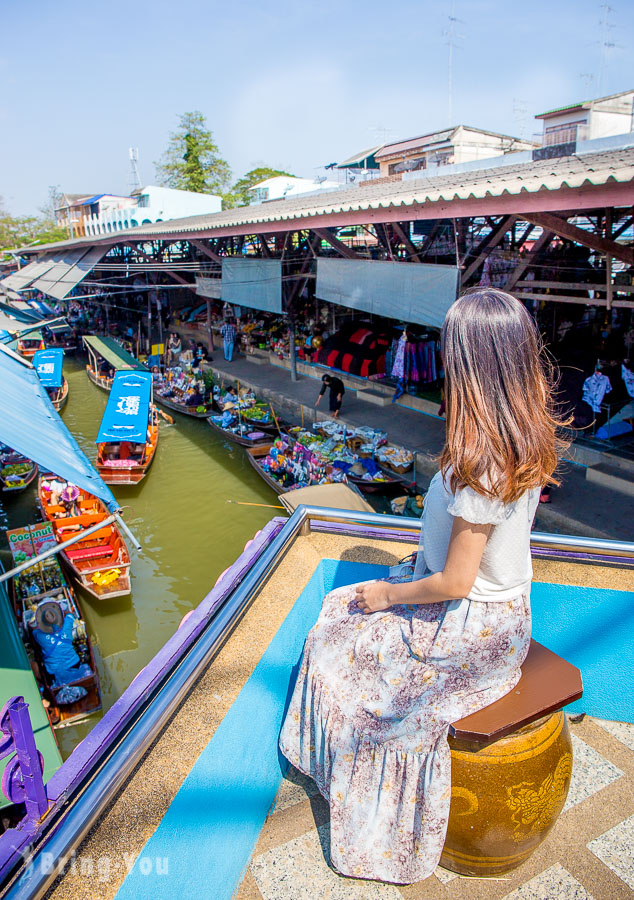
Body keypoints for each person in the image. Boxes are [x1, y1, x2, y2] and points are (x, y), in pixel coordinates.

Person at [280, 288, 569, 884]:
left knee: (338, 634)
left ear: (471, 364)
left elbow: (458, 582)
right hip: (506, 615)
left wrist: (386, 595)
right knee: (345, 615)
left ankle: (376, 826)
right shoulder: (525, 437)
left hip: (467, 629)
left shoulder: (480, 461)